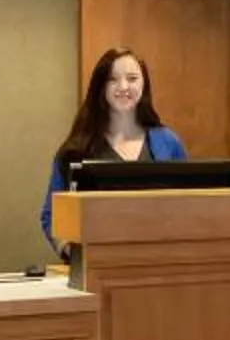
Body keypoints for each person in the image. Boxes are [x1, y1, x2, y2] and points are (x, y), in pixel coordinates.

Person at [43, 47, 186, 248]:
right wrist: (73, 252)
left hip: (158, 262)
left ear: (144, 84)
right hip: (95, 268)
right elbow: (52, 216)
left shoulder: (169, 142)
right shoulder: (75, 149)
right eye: (113, 79)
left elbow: (188, 207)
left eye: (132, 78)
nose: (123, 86)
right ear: (100, 86)